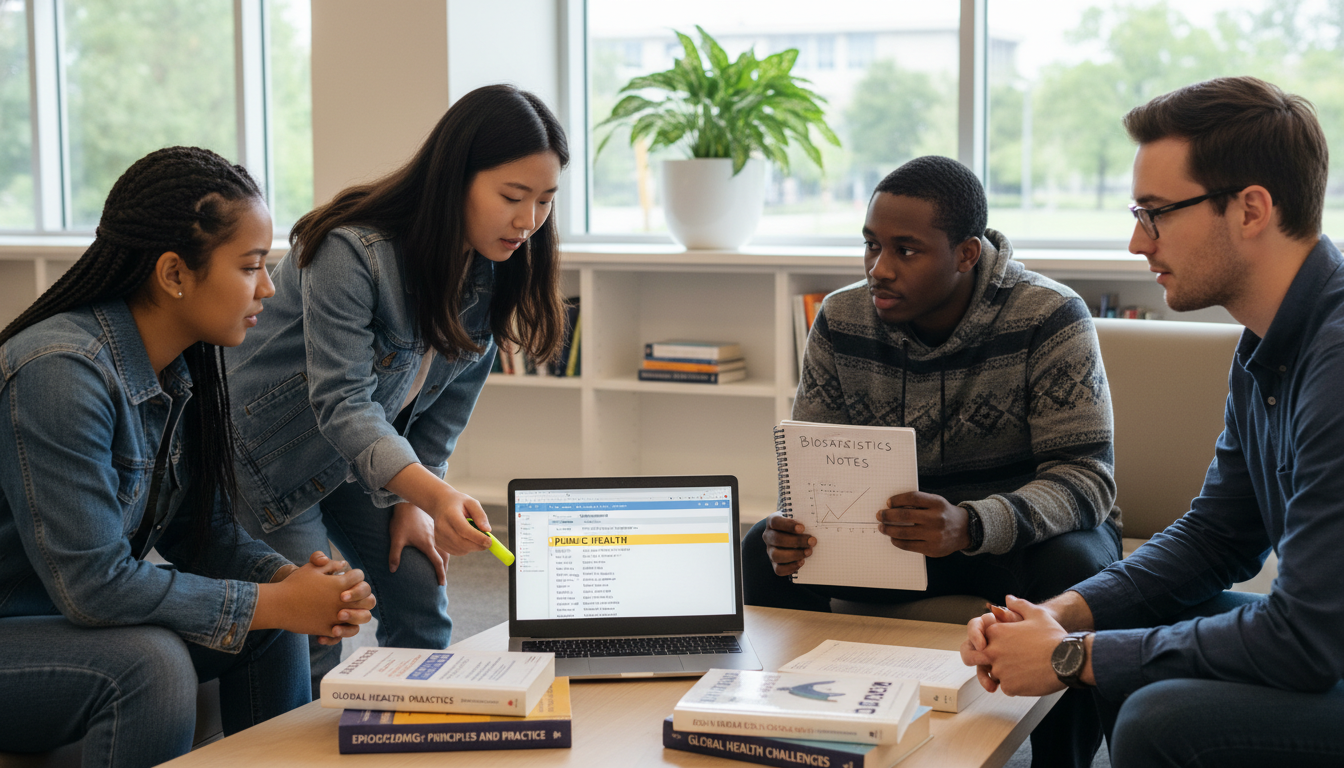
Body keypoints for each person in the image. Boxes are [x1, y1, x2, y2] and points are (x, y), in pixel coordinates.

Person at [961, 76, 1344, 768]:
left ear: (1251, 209)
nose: (1138, 241)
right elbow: (1216, 537)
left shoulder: (1337, 361)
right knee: (1132, 627)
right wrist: (1058, 616)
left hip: (1325, 644)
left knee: (1157, 718)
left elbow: (1306, 640)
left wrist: (1072, 656)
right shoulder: (1263, 346)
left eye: (1156, 213)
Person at [0, 146, 375, 767]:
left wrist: (289, 584)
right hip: (20, 630)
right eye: (250, 266)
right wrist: (276, 602)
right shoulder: (59, 373)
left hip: (60, 625)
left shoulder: (178, 369)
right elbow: (94, 587)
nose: (268, 287)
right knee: (151, 665)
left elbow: (205, 537)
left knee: (271, 623)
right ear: (174, 274)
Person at [742, 155, 1121, 767]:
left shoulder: (1049, 316)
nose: (879, 268)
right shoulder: (840, 319)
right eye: (871, 245)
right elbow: (811, 462)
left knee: (1078, 565)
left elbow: (1086, 479)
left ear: (966, 254)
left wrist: (971, 524)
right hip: (887, 541)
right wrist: (795, 521)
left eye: (906, 250)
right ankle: (804, 736)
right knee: (762, 549)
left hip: (1021, 543)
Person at [224, 83, 569, 692]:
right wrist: (435, 494)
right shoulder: (351, 250)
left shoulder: (493, 268)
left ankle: (417, 728)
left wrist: (415, 502)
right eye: (512, 197)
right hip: (271, 456)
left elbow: (443, 413)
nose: (529, 221)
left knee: (420, 592)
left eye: (545, 200)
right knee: (318, 625)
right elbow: (342, 403)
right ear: (454, 178)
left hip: (367, 457)